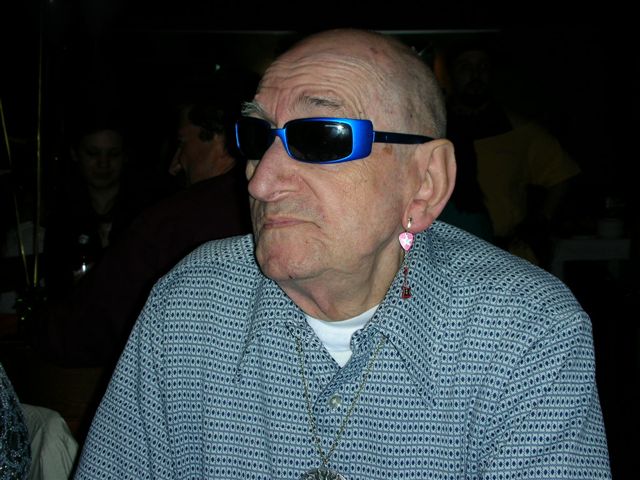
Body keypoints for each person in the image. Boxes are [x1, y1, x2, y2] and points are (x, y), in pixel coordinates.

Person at [74, 28, 611, 479]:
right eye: (257, 137)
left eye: (322, 138)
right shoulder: (188, 305)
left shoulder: (525, 331)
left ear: (425, 183)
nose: (261, 182)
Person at [31, 76, 254, 370]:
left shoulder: (174, 221)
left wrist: (34, 327)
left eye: (182, 143)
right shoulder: (274, 208)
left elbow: (87, 327)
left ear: (222, 141)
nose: (176, 163)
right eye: (93, 154)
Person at [443, 41, 581, 267]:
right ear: (451, 75)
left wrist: (540, 220)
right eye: (465, 67)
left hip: (506, 255)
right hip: (446, 254)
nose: (475, 75)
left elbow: (563, 174)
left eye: (483, 67)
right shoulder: (433, 130)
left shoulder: (519, 131)